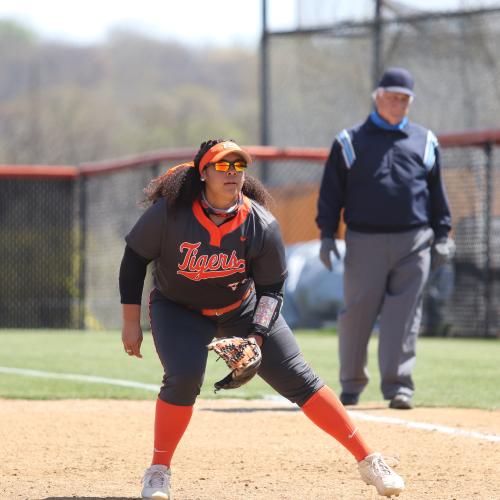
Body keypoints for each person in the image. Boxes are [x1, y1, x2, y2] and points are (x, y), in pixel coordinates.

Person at [119, 138, 405, 499]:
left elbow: (271, 290)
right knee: (184, 376)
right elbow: (133, 261)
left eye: (239, 166)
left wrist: (255, 340)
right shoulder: (170, 213)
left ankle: (369, 460)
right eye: (222, 166)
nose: (232, 174)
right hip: (179, 309)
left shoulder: (260, 223)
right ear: (203, 173)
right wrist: (131, 322)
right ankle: (159, 470)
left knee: (301, 378)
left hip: (242, 307)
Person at [316, 67, 453, 411]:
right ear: (377, 97)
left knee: (404, 316)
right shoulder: (349, 141)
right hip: (364, 240)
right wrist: (327, 235)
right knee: (357, 313)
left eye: (404, 99)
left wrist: (442, 234)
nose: (397, 103)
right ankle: (351, 384)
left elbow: (437, 193)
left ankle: (398, 387)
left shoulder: (426, 140)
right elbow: (331, 193)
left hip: (415, 240)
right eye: (391, 96)